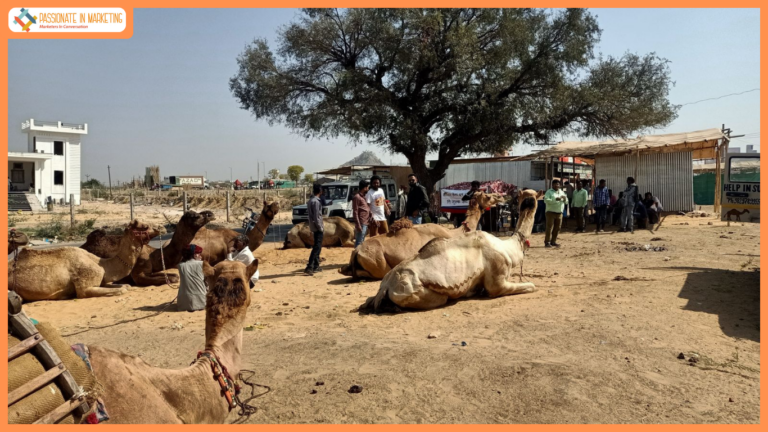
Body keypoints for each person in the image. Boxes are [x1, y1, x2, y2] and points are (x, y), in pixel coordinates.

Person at [177, 244, 208, 312]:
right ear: (194, 255)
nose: (200, 255)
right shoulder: (202, 264)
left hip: (183, 303)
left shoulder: (180, 266)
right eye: (199, 253)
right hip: (202, 301)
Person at [304, 184, 324, 276]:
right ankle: (309, 266)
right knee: (316, 247)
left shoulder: (310, 201)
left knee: (317, 246)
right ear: (320, 191)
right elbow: (316, 216)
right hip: (317, 227)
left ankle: (316, 265)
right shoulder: (316, 202)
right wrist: (320, 227)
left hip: (313, 226)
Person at [544, 180, 568, 248]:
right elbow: (546, 200)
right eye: (555, 184)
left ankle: (553, 241)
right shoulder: (549, 192)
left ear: (559, 185)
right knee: (549, 227)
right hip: (550, 212)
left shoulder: (562, 192)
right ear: (552, 185)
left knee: (557, 228)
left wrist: (564, 199)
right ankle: (547, 242)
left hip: (559, 212)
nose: (556, 186)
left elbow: (567, 202)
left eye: (557, 184)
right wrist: (555, 200)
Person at [352, 179, 371, 247]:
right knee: (359, 243)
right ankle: (356, 257)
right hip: (361, 223)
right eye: (367, 187)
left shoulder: (363, 197)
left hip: (365, 223)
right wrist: (358, 225)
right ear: (364, 188)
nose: (368, 189)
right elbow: (355, 211)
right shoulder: (357, 197)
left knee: (361, 242)